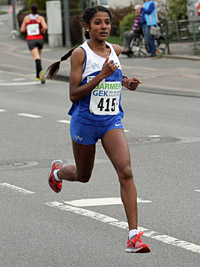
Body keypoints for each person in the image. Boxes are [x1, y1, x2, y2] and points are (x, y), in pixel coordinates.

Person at [47, 5, 150, 254]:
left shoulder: (113, 50)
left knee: (126, 171)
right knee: (84, 175)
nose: (104, 27)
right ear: (86, 27)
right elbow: (73, 94)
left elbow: (116, 78)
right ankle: (58, 174)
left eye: (107, 22)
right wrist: (101, 75)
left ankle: (134, 236)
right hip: (85, 122)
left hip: (111, 121)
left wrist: (127, 82)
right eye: (98, 23)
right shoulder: (80, 55)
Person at [20, 3, 47, 83]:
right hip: (39, 39)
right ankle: (37, 76)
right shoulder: (40, 18)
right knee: (38, 58)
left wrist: (27, 29)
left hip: (31, 40)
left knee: (36, 58)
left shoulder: (26, 18)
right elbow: (45, 27)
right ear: (37, 10)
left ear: (30, 10)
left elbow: (21, 29)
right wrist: (42, 30)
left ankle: (41, 72)